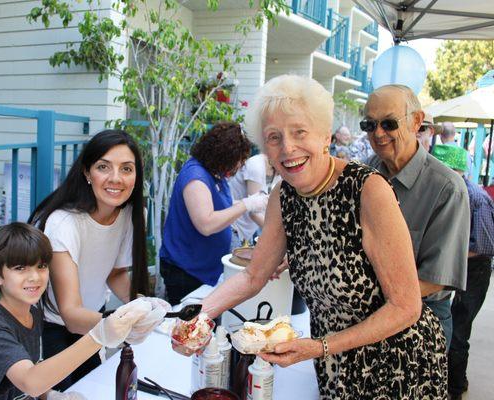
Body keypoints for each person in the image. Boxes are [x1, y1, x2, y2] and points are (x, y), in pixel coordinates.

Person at [200, 75, 447, 399]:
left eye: (299, 132)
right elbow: (253, 275)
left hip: (397, 361)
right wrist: (199, 315)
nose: (288, 147)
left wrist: (320, 346)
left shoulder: (368, 190)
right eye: (274, 137)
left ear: (324, 136)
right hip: (333, 362)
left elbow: (406, 307)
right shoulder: (283, 196)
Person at [0, 223, 166, 400]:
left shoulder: (34, 313)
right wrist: (99, 336)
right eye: (20, 268)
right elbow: (29, 381)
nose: (35, 277)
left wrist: (50, 394)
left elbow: (34, 375)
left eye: (41, 266)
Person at [29, 129, 161, 390]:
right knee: (67, 393)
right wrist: (122, 323)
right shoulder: (63, 223)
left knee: (95, 387)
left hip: (96, 318)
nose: (116, 178)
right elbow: (70, 314)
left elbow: (114, 273)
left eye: (126, 169)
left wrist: (144, 308)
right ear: (87, 173)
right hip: (56, 327)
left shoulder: (133, 214)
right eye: (104, 167)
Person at [365, 85, 470, 349]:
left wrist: (368, 295)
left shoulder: (446, 188)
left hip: (422, 318)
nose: (378, 133)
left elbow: (436, 278)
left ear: (416, 122)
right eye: (369, 124)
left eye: (389, 123)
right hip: (365, 313)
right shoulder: (363, 173)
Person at [160, 122, 267, 305]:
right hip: (187, 271)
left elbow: (219, 204)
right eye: (238, 161)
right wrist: (246, 204)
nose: (238, 167)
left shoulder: (214, 173)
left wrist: (248, 203)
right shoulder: (196, 176)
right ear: (223, 155)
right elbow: (206, 224)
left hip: (206, 268)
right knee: (189, 326)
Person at [432, 145, 494, 400]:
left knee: (458, 331)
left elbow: (486, 245)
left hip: (473, 270)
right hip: (451, 263)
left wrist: (449, 252)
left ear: (455, 171)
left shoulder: (476, 198)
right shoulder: (444, 191)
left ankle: (455, 388)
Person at [228, 153, 280, 248]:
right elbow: (254, 212)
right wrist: (279, 234)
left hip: (248, 231)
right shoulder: (256, 166)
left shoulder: (278, 171)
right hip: (233, 227)